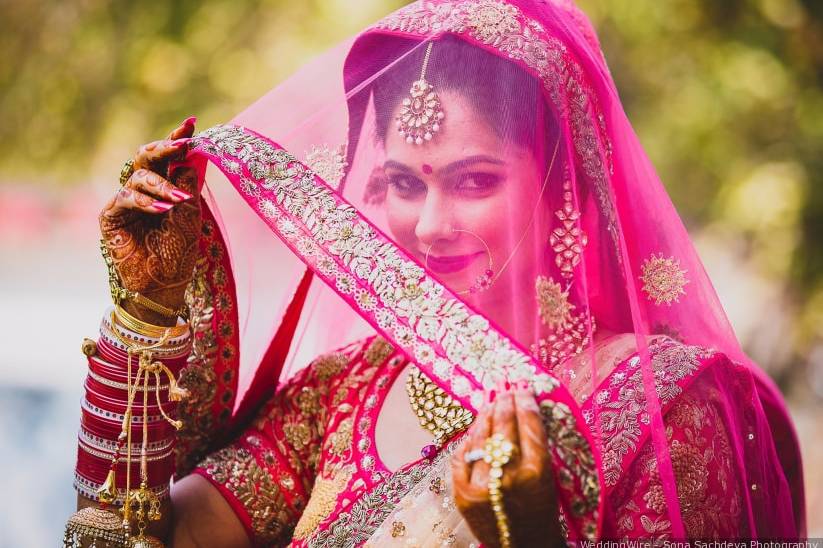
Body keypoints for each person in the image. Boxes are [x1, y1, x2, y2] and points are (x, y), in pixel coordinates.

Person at [69, 1, 805, 546]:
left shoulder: (667, 410)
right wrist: (148, 314)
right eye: (401, 184)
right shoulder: (347, 389)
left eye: (474, 182)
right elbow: (132, 538)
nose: (427, 225)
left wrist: (530, 537)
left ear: (562, 189)